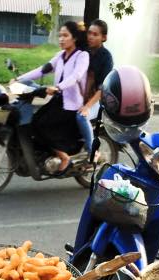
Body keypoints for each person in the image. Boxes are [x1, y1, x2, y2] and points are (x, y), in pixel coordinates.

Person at [15, 21, 89, 174]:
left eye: (65, 35)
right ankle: (47, 155)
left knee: (42, 125)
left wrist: (58, 87)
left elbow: (76, 76)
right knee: (34, 122)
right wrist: (19, 79)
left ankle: (64, 157)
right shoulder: (60, 56)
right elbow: (42, 70)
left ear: (74, 38)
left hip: (72, 105)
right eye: (60, 36)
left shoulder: (82, 56)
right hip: (58, 101)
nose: (61, 39)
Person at [77, 19, 113, 156]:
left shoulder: (106, 57)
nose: (91, 36)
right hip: (81, 96)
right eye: (89, 33)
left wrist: (87, 106)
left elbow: (102, 88)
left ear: (104, 37)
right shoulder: (84, 51)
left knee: (80, 117)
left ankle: (93, 152)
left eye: (95, 34)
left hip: (96, 100)